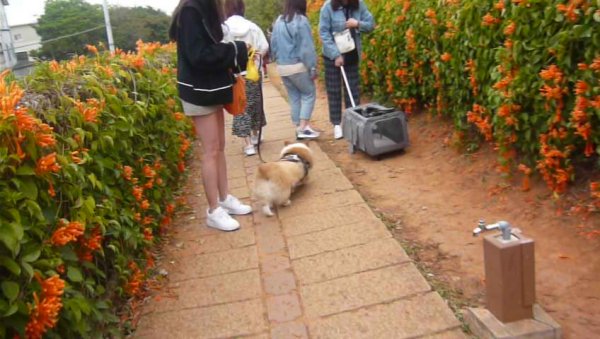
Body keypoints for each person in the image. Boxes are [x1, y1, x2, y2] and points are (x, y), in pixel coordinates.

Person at [170, 0, 252, 231]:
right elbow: (199, 55)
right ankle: (213, 210)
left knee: (219, 147)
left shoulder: (206, 9)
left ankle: (224, 198)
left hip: (212, 88)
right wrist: (236, 50)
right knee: (211, 150)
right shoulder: (190, 12)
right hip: (198, 91)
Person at [319, 0, 374, 139]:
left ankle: (353, 123)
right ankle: (337, 124)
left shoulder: (359, 5)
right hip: (333, 56)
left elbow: (370, 24)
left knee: (353, 91)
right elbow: (324, 32)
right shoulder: (328, 7)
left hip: (351, 54)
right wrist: (335, 55)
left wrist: (357, 24)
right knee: (334, 90)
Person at [224, 0, 269, 156]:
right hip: (253, 73)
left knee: (240, 108)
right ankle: (256, 135)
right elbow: (264, 46)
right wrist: (257, 58)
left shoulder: (224, 28)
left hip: (235, 75)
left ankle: (248, 144)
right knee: (255, 104)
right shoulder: (252, 26)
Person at [270, 0, 320, 139]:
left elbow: (273, 44)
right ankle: (303, 127)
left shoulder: (279, 21)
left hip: (282, 67)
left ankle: (298, 126)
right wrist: (313, 68)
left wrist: (278, 60)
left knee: (294, 97)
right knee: (309, 94)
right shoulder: (301, 21)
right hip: (297, 66)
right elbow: (306, 49)